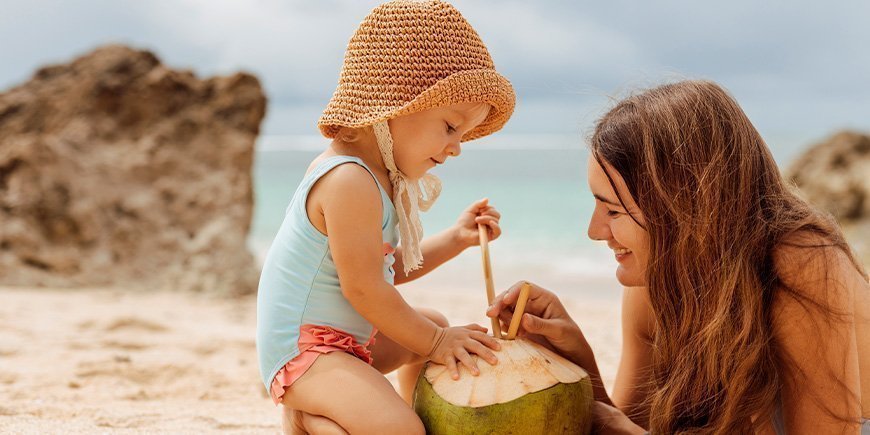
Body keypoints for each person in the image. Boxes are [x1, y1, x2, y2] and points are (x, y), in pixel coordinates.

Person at [488, 80, 870, 434]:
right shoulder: (655, 277)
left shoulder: (800, 263)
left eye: (614, 211)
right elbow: (624, 423)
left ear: (683, 208)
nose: (594, 231)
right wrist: (577, 359)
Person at [256, 1, 516, 433]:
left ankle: (395, 408)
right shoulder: (349, 181)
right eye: (450, 127)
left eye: (463, 136)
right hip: (306, 352)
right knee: (403, 425)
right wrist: (435, 344)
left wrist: (456, 238)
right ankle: (309, 413)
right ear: (390, 106)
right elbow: (364, 289)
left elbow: (386, 273)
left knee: (430, 321)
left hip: (343, 344)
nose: (456, 148)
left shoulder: (377, 179)